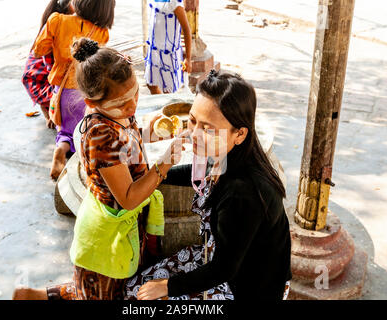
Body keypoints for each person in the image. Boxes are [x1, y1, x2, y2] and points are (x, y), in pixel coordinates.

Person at [12, 38, 187, 300]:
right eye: (122, 102)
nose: (132, 106)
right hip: (107, 231)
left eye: (135, 93)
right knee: (103, 291)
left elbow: (132, 133)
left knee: (100, 288)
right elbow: (128, 199)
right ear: (92, 103)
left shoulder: (115, 115)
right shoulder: (100, 134)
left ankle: (33, 296)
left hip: (117, 225)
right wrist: (165, 163)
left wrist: (161, 130)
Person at [125, 70, 292, 301]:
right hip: (215, 257)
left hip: (247, 285)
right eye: (192, 121)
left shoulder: (243, 192)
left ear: (240, 134)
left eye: (208, 128)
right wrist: (155, 174)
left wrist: (168, 287)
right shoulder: (225, 152)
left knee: (144, 300)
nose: (194, 134)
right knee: (134, 289)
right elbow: (194, 173)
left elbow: (224, 268)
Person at [32, 0, 114, 180]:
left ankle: (61, 148)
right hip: (87, 91)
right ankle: (85, 166)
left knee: (66, 132)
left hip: (62, 91)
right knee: (86, 131)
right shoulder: (102, 33)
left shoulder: (57, 20)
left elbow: (38, 50)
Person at [22, 0, 74, 129]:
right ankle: (48, 108)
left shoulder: (63, 28)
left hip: (49, 76)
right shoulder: (52, 36)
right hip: (40, 82)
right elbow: (55, 75)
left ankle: (51, 107)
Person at [145, 0, 192, 94]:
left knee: (168, 90)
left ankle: (166, 105)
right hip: (154, 50)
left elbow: (187, 30)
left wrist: (188, 58)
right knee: (150, 83)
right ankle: (160, 104)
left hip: (168, 54)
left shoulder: (175, 3)